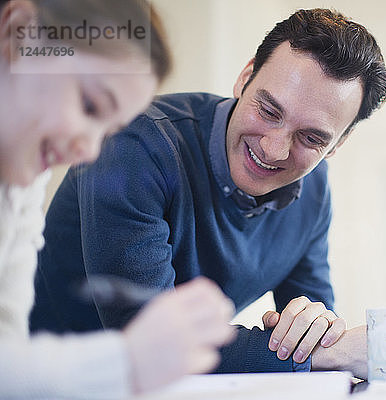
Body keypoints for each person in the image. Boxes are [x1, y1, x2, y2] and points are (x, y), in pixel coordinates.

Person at [31, 8, 386, 377]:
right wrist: (323, 355)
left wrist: (316, 330)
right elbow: (152, 338)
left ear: (337, 144)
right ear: (245, 77)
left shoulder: (313, 190)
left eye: (311, 138)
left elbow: (309, 325)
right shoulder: (133, 144)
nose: (273, 149)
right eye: (268, 111)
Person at [0, 0, 235, 398]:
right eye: (90, 106)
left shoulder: (21, 182)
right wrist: (126, 363)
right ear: (19, 31)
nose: (88, 152)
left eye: (108, 132)